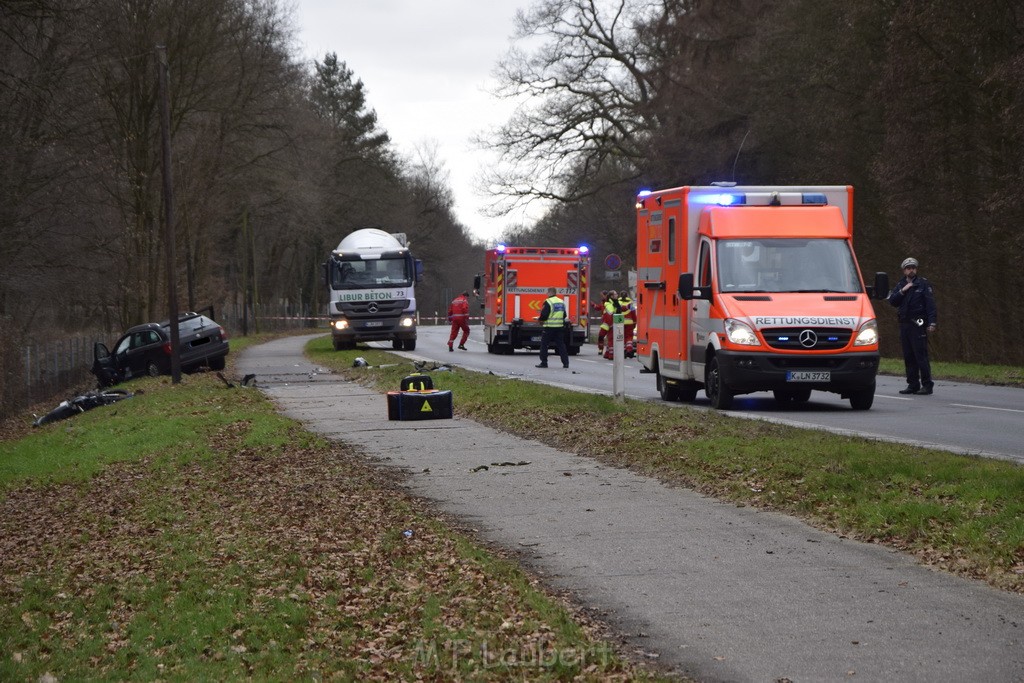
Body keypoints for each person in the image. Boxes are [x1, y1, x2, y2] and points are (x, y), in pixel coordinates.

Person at [888, 257, 938, 395]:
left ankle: (927, 385)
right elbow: (892, 301)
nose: (911, 270)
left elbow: (930, 305)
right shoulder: (900, 284)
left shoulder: (923, 284)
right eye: (908, 268)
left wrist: (932, 322)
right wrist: (903, 290)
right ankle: (913, 384)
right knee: (908, 355)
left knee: (920, 355)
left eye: (913, 268)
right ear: (904, 270)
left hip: (918, 322)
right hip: (904, 323)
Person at [535, 287, 569, 369]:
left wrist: (539, 319)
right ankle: (566, 363)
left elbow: (544, 315)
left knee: (544, 345)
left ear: (550, 293)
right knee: (561, 345)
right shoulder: (561, 302)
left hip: (549, 327)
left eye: (547, 292)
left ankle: (544, 363)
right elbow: (564, 315)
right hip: (559, 327)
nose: (546, 294)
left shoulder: (548, 302)